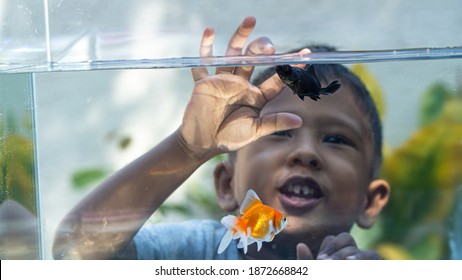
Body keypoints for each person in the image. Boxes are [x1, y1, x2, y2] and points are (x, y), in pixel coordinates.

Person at [52, 16, 390, 260]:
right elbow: (75, 253)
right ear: (227, 186)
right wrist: (186, 150)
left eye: (335, 140)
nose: (305, 153)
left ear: (370, 201)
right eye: (281, 132)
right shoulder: (195, 253)